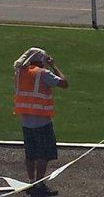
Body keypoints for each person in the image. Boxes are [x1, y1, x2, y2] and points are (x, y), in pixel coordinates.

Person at [12, 47, 68, 186]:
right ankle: (39, 183)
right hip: (41, 120)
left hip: (25, 120)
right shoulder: (43, 73)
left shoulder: (19, 72)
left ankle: (31, 181)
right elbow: (64, 83)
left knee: (30, 154)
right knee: (43, 154)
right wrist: (53, 65)